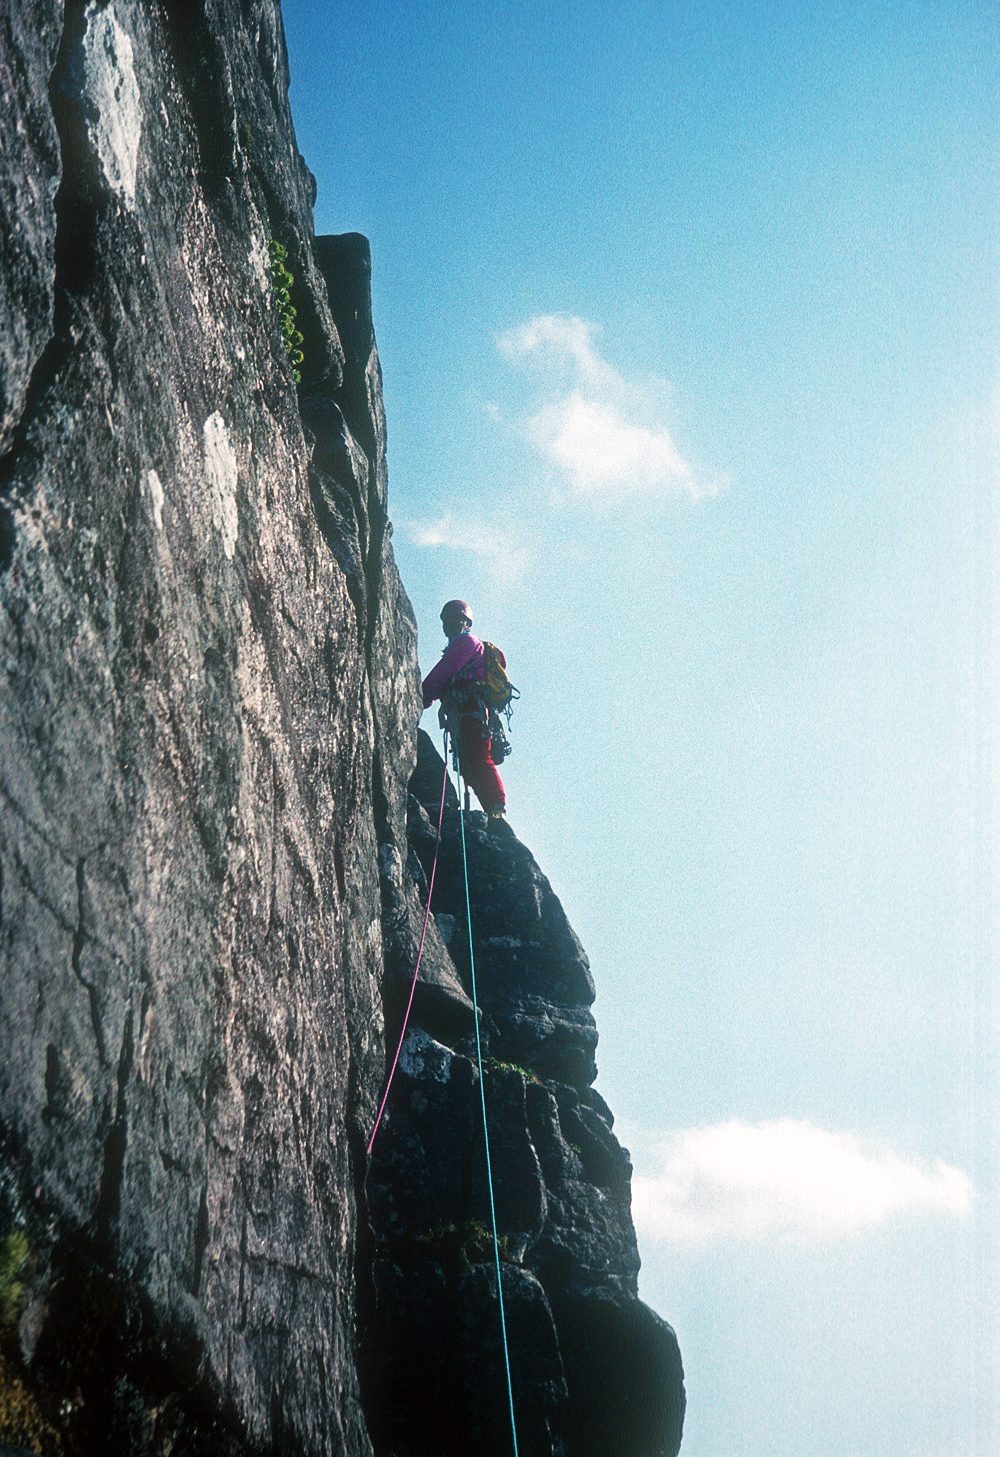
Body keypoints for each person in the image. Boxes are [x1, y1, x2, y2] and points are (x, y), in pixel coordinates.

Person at [421, 599, 507, 825]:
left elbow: (442, 675)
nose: (449, 623)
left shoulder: (467, 642)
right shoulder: (458, 646)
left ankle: (496, 809)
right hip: (463, 713)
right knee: (469, 765)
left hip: (471, 710)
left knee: (478, 759)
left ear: (467, 623)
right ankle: (493, 811)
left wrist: (420, 697)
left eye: (454, 618)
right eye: (446, 619)